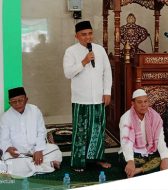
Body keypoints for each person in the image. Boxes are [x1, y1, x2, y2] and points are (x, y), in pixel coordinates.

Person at [63, 21, 112, 172]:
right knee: (80, 132)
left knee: (97, 130)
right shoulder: (70, 52)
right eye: (84, 34)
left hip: (98, 98)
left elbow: (107, 72)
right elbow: (68, 73)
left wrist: (107, 92)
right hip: (80, 99)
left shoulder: (100, 50)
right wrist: (83, 62)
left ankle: (97, 159)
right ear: (76, 36)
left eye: (90, 33)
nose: (87, 37)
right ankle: (78, 162)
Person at [0, 87, 62, 177]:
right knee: (8, 160)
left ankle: (28, 167)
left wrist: (39, 150)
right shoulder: (6, 117)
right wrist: (9, 149)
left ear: (26, 99)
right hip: (18, 153)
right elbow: (3, 139)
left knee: (55, 150)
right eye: (14, 101)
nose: (17, 104)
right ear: (10, 103)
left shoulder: (35, 110)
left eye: (20, 100)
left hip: (35, 149)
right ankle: (47, 165)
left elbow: (41, 131)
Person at [118, 89, 168, 178]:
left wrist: (165, 159)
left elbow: (160, 140)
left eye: (145, 101)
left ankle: (139, 170)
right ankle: (148, 168)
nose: (143, 105)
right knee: (129, 160)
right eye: (139, 102)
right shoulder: (126, 118)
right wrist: (130, 161)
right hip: (133, 153)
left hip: (149, 150)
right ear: (133, 104)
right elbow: (126, 143)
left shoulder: (155, 117)